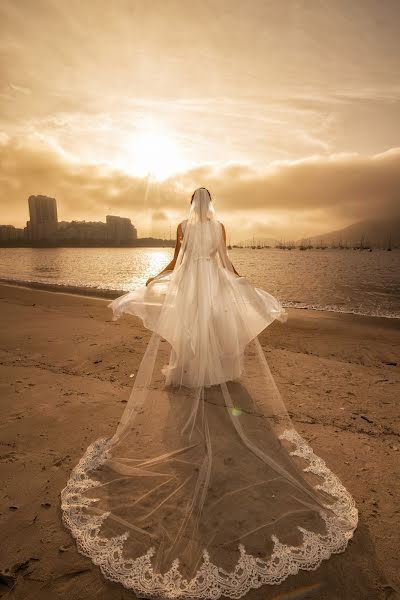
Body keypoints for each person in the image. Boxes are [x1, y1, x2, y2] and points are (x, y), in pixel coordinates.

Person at [61, 187, 358, 599]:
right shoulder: (219, 226)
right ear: (211, 205)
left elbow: (176, 258)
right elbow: (224, 259)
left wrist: (158, 277)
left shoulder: (184, 226)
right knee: (215, 325)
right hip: (211, 280)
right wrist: (238, 279)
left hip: (191, 281)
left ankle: (193, 368)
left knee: (190, 328)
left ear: (191, 206)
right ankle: (212, 371)